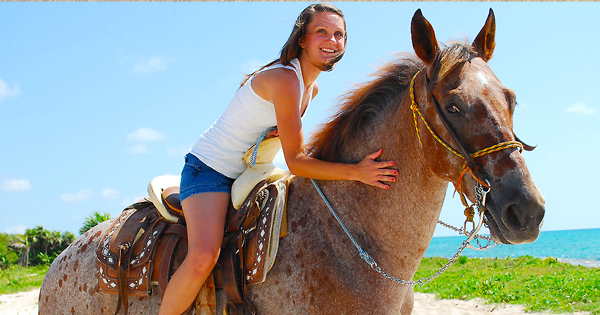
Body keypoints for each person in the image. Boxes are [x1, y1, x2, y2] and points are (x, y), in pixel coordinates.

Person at [158, 3, 397, 314]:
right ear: (302, 39)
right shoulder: (286, 79)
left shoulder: (310, 88)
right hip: (209, 170)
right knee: (204, 256)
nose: (332, 40)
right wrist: (357, 172)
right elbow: (297, 161)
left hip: (249, 171)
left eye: (339, 34)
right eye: (321, 32)